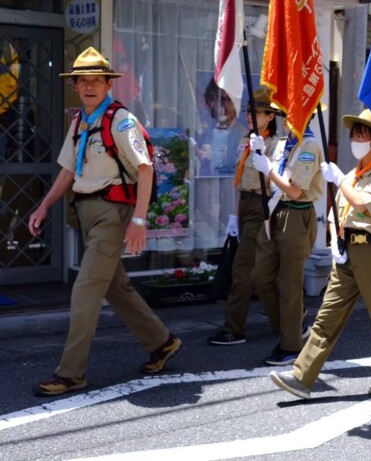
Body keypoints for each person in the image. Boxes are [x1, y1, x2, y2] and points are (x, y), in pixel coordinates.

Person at [28, 47, 181, 396]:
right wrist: (43, 206)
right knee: (115, 287)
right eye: (82, 81)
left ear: (108, 84)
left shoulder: (120, 120)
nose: (89, 87)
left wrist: (139, 219)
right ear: (75, 86)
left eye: (96, 81)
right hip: (87, 212)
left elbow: (145, 168)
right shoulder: (81, 121)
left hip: (112, 214)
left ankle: (71, 374)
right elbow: (68, 170)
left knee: (85, 289)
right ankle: (162, 343)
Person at [270, 109, 371, 399]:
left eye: (362, 136)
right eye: (354, 135)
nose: (356, 140)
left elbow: (362, 205)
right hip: (347, 251)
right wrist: (335, 241)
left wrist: (340, 180)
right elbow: (338, 213)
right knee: (327, 317)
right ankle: (302, 377)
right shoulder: (353, 175)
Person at [250, 96, 325, 365]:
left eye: (290, 114)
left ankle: (291, 345)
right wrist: (260, 155)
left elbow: (294, 191)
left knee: (289, 283)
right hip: (275, 210)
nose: (285, 119)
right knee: (261, 276)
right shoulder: (284, 142)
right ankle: (291, 322)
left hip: (296, 214)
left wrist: (268, 169)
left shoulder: (309, 146)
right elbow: (272, 182)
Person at [206, 90, 279, 347]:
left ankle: (234, 328)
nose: (249, 116)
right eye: (248, 111)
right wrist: (234, 217)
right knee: (256, 273)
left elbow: (274, 184)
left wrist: (263, 157)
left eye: (256, 112)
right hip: (245, 204)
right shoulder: (244, 142)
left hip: (263, 205)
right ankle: (287, 321)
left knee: (244, 270)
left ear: (270, 116)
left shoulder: (275, 145)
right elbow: (241, 184)